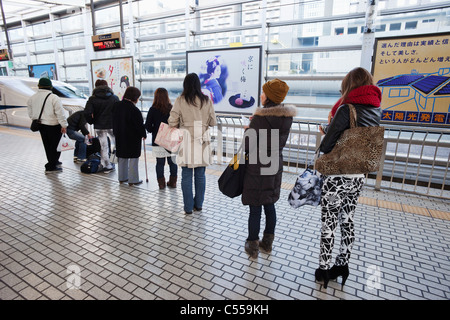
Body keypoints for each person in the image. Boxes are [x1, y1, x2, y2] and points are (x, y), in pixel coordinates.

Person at [315, 67, 381, 289]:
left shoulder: (346, 109)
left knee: (329, 223)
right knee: (348, 219)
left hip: (338, 175)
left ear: (349, 85)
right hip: (359, 175)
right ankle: (342, 265)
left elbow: (327, 145)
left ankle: (323, 269)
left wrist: (326, 131)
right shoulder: (375, 109)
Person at [241, 79, 296, 258]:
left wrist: (248, 129)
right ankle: (267, 243)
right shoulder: (287, 117)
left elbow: (249, 144)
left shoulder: (260, 117)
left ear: (270, 97)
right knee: (269, 204)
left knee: (255, 207)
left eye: (263, 93)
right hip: (273, 164)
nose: (260, 95)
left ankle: (252, 245)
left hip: (257, 166)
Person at [168, 73, 217, 214]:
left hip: (187, 139)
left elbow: (172, 121)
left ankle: (188, 207)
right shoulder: (207, 100)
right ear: (198, 85)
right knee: (201, 175)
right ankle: (199, 205)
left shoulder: (180, 100)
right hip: (202, 140)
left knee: (186, 175)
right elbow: (213, 122)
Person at [27, 77, 68, 174]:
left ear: (39, 86)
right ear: (50, 86)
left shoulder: (32, 98)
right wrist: (64, 125)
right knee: (56, 146)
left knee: (47, 145)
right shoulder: (54, 97)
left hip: (40, 125)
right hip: (53, 125)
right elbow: (60, 113)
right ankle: (51, 167)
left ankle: (53, 162)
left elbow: (31, 114)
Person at [112, 86, 147, 186]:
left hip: (119, 135)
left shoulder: (116, 105)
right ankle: (133, 180)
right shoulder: (134, 110)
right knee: (133, 158)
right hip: (132, 138)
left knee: (122, 156)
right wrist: (143, 134)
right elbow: (139, 125)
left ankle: (122, 178)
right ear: (134, 97)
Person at [145, 88, 178, 189]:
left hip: (158, 140)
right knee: (172, 162)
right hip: (171, 140)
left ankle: (161, 184)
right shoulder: (172, 108)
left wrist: (155, 129)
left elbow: (148, 126)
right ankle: (173, 182)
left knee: (160, 163)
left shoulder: (152, 109)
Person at [84, 79, 119, 173]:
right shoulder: (114, 98)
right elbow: (119, 112)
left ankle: (107, 165)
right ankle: (115, 162)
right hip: (112, 125)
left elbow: (87, 112)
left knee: (104, 146)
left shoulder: (93, 98)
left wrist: (92, 121)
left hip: (99, 125)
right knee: (116, 144)